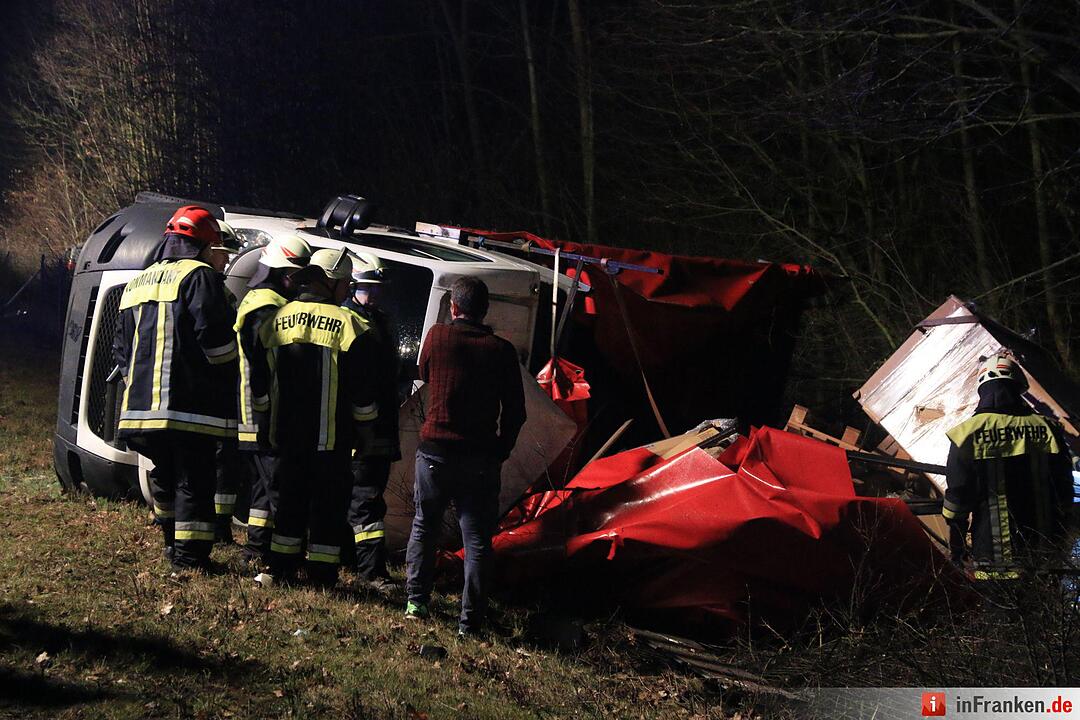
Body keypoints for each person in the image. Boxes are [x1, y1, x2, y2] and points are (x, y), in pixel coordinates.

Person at [112, 205, 238, 571]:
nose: (223, 258)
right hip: (188, 407)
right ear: (202, 245)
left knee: (165, 476)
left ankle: (171, 544)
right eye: (219, 249)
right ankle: (190, 558)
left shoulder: (138, 281)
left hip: (139, 409)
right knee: (194, 481)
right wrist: (234, 368)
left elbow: (121, 351)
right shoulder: (200, 277)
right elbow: (216, 344)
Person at [404, 276, 526, 636]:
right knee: (476, 542)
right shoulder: (501, 351)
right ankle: (470, 621)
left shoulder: (438, 338)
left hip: (435, 454)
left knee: (424, 527)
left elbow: (424, 373)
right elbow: (516, 412)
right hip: (480, 460)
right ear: (485, 311)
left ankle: (416, 602)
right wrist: (501, 449)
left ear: (454, 307)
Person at [260, 248, 379, 586]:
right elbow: (363, 390)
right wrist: (366, 432)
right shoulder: (352, 325)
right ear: (329, 282)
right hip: (332, 439)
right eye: (344, 283)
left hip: (285, 435)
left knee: (289, 504)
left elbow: (260, 377)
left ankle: (282, 568)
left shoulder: (276, 318)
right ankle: (322, 576)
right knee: (328, 508)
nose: (347, 289)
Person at [943, 353, 1072, 580]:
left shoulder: (966, 435)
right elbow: (1064, 488)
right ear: (1018, 387)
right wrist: (1063, 537)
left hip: (993, 558)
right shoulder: (1047, 428)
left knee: (1003, 614)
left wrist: (958, 550)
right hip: (1045, 555)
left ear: (982, 389)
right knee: (1044, 614)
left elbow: (957, 502)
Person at [234, 233, 312, 564]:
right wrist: (266, 413)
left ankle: (256, 549)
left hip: (260, 413)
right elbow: (261, 366)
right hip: (265, 416)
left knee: (262, 490)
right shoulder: (267, 308)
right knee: (278, 487)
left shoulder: (261, 302)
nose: (300, 284)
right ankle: (282, 557)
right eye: (297, 276)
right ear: (284, 274)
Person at [343, 257, 401, 589]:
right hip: (360, 431)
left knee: (369, 497)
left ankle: (357, 560)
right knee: (365, 500)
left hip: (379, 429)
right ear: (353, 287)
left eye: (378, 289)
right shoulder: (350, 321)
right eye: (369, 288)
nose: (375, 295)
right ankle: (372, 572)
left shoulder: (377, 321)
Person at [207, 221, 244, 543]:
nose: (227, 261)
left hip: (214, 393)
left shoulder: (220, 290)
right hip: (214, 392)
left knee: (222, 461)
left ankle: (219, 526)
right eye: (224, 254)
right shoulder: (210, 290)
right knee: (220, 461)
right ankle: (217, 528)